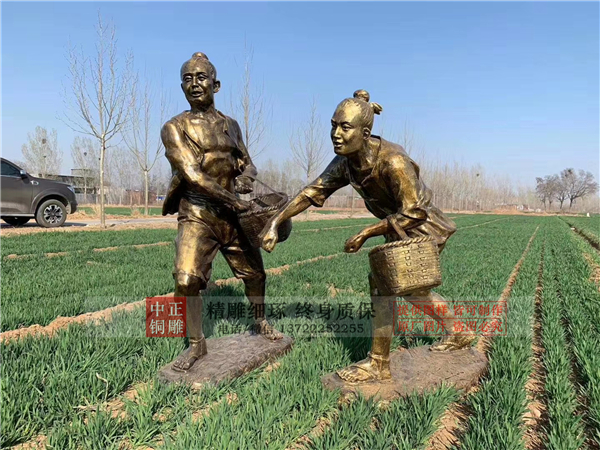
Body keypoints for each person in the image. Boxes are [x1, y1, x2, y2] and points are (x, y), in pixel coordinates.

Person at [260, 90, 475, 383]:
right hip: (397, 227)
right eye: (333, 125)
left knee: (384, 287)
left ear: (365, 133)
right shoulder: (346, 162)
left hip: (422, 228)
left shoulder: (393, 161)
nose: (336, 134)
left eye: (345, 127)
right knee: (413, 292)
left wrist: (366, 232)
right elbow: (313, 191)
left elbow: (415, 212)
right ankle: (459, 331)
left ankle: (378, 363)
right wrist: (275, 221)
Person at [162, 52, 282, 372]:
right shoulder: (174, 127)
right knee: (186, 279)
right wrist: (233, 200)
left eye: (201, 77)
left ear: (215, 85)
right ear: (182, 87)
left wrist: (246, 177)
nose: (194, 84)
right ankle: (196, 344)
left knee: (255, 275)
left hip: (234, 215)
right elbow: (192, 175)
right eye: (187, 79)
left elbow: (248, 163)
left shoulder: (231, 125)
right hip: (198, 213)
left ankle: (260, 321)